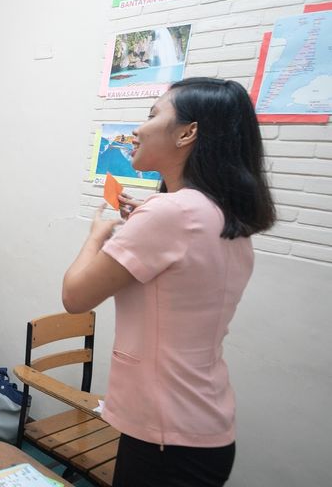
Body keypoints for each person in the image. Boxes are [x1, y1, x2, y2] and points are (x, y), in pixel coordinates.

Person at [62, 78, 275, 486]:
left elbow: (74, 296)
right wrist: (145, 221)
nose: (137, 130)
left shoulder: (171, 215)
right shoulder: (222, 215)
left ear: (187, 133)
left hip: (165, 435)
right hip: (205, 427)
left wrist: (97, 236)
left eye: (152, 115)